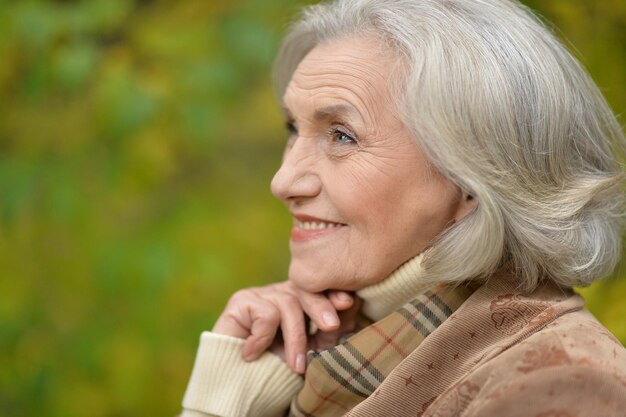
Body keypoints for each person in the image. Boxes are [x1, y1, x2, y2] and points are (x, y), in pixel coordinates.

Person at [180, 0, 626, 416]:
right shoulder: (341, 355)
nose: (282, 182)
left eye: (341, 135)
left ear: (471, 179)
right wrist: (224, 401)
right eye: (293, 129)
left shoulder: (567, 383)